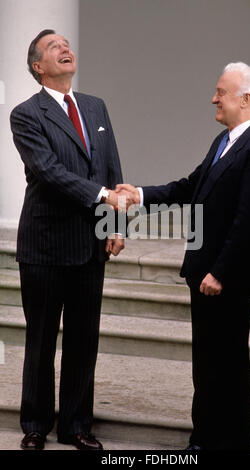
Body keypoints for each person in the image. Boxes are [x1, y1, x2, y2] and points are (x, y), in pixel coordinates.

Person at [115, 62, 250, 450]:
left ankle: (230, 441)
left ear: (245, 98)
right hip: (203, 274)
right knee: (207, 366)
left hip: (225, 280)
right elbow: (191, 187)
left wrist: (221, 272)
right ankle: (204, 439)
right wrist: (139, 194)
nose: (213, 98)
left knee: (228, 368)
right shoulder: (226, 140)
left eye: (220, 92)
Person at [10, 29, 125, 450]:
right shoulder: (26, 114)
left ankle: (77, 425)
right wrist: (101, 196)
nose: (65, 49)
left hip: (89, 246)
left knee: (83, 339)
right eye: (54, 47)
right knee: (41, 339)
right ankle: (36, 425)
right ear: (38, 67)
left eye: (67, 45)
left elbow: (111, 167)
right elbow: (49, 171)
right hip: (44, 245)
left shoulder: (95, 106)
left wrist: (115, 225)